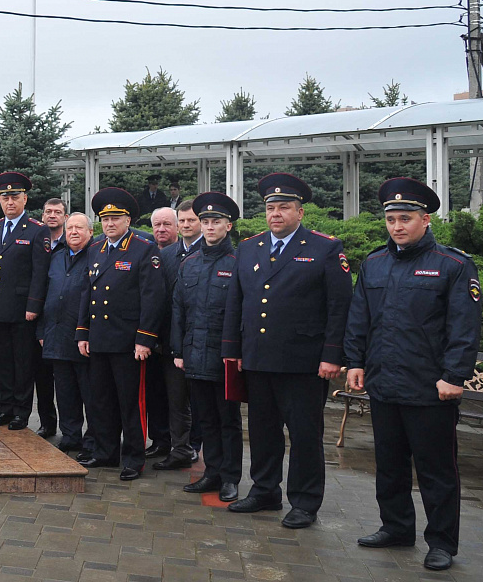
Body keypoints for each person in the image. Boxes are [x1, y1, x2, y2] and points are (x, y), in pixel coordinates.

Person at [344, 178, 480, 572]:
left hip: (430, 388)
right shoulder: (374, 263)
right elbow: (359, 318)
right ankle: (396, 527)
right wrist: (356, 362)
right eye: (391, 219)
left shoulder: (453, 265)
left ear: (425, 219)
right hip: (384, 383)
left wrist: (454, 375)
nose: (397, 226)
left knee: (436, 470)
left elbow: (464, 328)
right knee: (389, 464)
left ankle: (442, 543)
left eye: (406, 218)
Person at [223, 173, 351, 528]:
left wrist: (332, 355)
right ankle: (265, 490)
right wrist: (232, 348)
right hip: (258, 357)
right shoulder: (249, 247)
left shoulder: (325, 248)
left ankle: (305, 502)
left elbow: (340, 306)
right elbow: (236, 301)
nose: (275, 214)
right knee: (262, 431)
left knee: (305, 434)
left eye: (284, 207)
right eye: (270, 208)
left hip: (303, 361)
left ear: (300, 212)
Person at [75, 188, 165, 481]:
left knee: (131, 403)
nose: (110, 223)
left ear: (128, 220)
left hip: (128, 342)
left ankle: (134, 458)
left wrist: (145, 338)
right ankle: (106, 451)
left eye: (115, 218)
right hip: (100, 339)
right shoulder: (96, 249)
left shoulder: (144, 248)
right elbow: (87, 293)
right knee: (101, 401)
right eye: (105, 219)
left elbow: (152, 297)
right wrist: (83, 333)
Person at [171, 192, 243, 504]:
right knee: (206, 419)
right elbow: (179, 310)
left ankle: (230, 478)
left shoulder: (238, 263)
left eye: (216, 221)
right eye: (206, 221)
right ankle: (212, 472)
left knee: (228, 420)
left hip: (224, 357)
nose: (210, 227)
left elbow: (243, 313)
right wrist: (178, 351)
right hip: (194, 355)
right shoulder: (189, 264)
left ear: (228, 226)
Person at [0, 172, 52, 432]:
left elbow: (40, 273)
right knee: (0, 363)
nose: (10, 202)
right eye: (5, 197)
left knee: (23, 363)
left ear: (24, 199)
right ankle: (2, 408)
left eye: (15, 197)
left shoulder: (37, 230)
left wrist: (33, 306)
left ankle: (20, 412)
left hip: (22, 310)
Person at [38, 211, 95, 456]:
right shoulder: (56, 256)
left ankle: (92, 441)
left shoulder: (97, 256)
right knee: (65, 393)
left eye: (79, 228)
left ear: (90, 232)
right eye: (70, 228)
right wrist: (42, 330)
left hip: (84, 339)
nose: (73, 232)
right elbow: (44, 294)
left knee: (91, 395)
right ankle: (70, 437)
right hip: (56, 335)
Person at [147, 204, 198, 471]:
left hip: (193, 340)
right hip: (163, 339)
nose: (162, 229)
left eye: (168, 224)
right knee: (161, 394)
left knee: (186, 400)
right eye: (157, 225)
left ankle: (188, 446)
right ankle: (162, 441)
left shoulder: (207, 252)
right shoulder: (163, 256)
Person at [27, 198, 68, 438]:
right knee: (41, 377)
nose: (52, 215)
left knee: (65, 380)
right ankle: (47, 423)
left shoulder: (70, 243)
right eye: (48, 212)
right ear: (42, 215)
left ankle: (70, 428)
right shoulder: (36, 239)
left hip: (63, 320)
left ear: (65, 217)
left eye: (57, 212)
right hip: (38, 317)